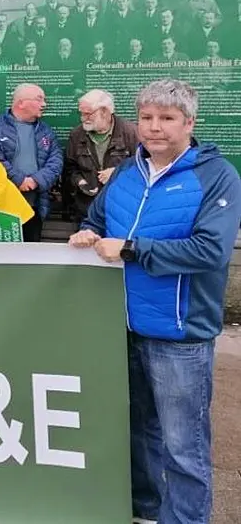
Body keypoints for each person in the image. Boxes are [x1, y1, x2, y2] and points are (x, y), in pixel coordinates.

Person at [69, 79, 241, 524]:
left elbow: (210, 251)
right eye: (146, 117)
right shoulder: (128, 171)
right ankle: (144, 510)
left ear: (189, 123)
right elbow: (97, 217)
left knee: (183, 446)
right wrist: (88, 233)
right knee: (136, 432)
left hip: (178, 335)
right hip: (122, 328)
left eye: (166, 119)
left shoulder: (216, 175)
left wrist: (131, 248)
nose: (154, 128)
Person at [0, 83, 64, 241]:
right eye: (39, 99)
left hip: (35, 206)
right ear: (21, 103)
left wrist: (35, 181)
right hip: (3, 206)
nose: (44, 104)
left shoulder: (45, 130)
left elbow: (56, 160)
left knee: (31, 256)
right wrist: (19, 180)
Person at [65, 89, 138, 226]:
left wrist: (117, 172)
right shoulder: (77, 135)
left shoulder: (131, 133)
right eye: (81, 113)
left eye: (87, 114)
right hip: (87, 210)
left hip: (122, 209)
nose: (82, 118)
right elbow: (70, 168)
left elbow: (145, 166)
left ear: (105, 112)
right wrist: (80, 182)